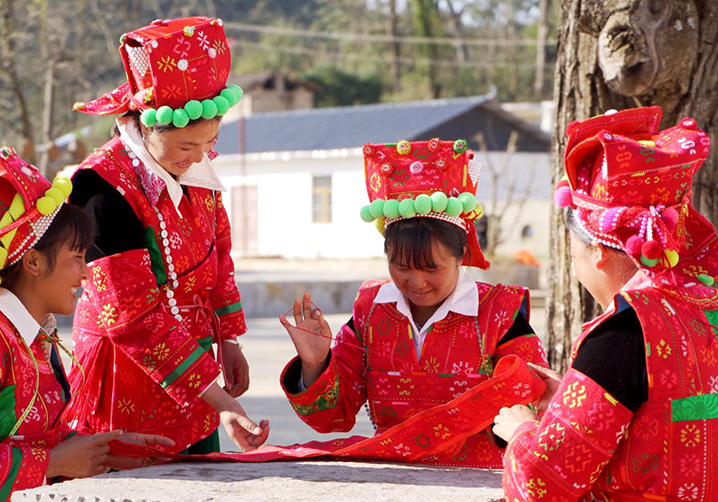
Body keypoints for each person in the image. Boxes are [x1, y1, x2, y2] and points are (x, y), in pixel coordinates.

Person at [0, 148, 172, 501]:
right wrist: (53, 462)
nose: (86, 273)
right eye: (78, 257)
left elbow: (23, 437)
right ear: (33, 262)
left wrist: (99, 448)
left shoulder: (35, 337)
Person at [64, 16, 268, 454]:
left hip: (196, 363)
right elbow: (131, 315)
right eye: (185, 147)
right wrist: (221, 399)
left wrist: (227, 339)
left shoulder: (195, 169)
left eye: (208, 144)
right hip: (126, 370)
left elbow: (219, 253)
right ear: (145, 127)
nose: (198, 158)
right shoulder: (101, 187)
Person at [279, 138, 549, 467]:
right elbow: (334, 418)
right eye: (401, 267)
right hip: (392, 475)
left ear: (461, 256)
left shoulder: (500, 313)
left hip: (479, 478)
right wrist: (315, 364)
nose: (416, 283)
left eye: (431, 268)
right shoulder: (370, 310)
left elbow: (533, 402)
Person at [494, 106, 718, 500]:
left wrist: (522, 429)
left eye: (573, 248)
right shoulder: (704, 303)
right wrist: (569, 399)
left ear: (597, 251)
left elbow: (543, 483)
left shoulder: (623, 332)